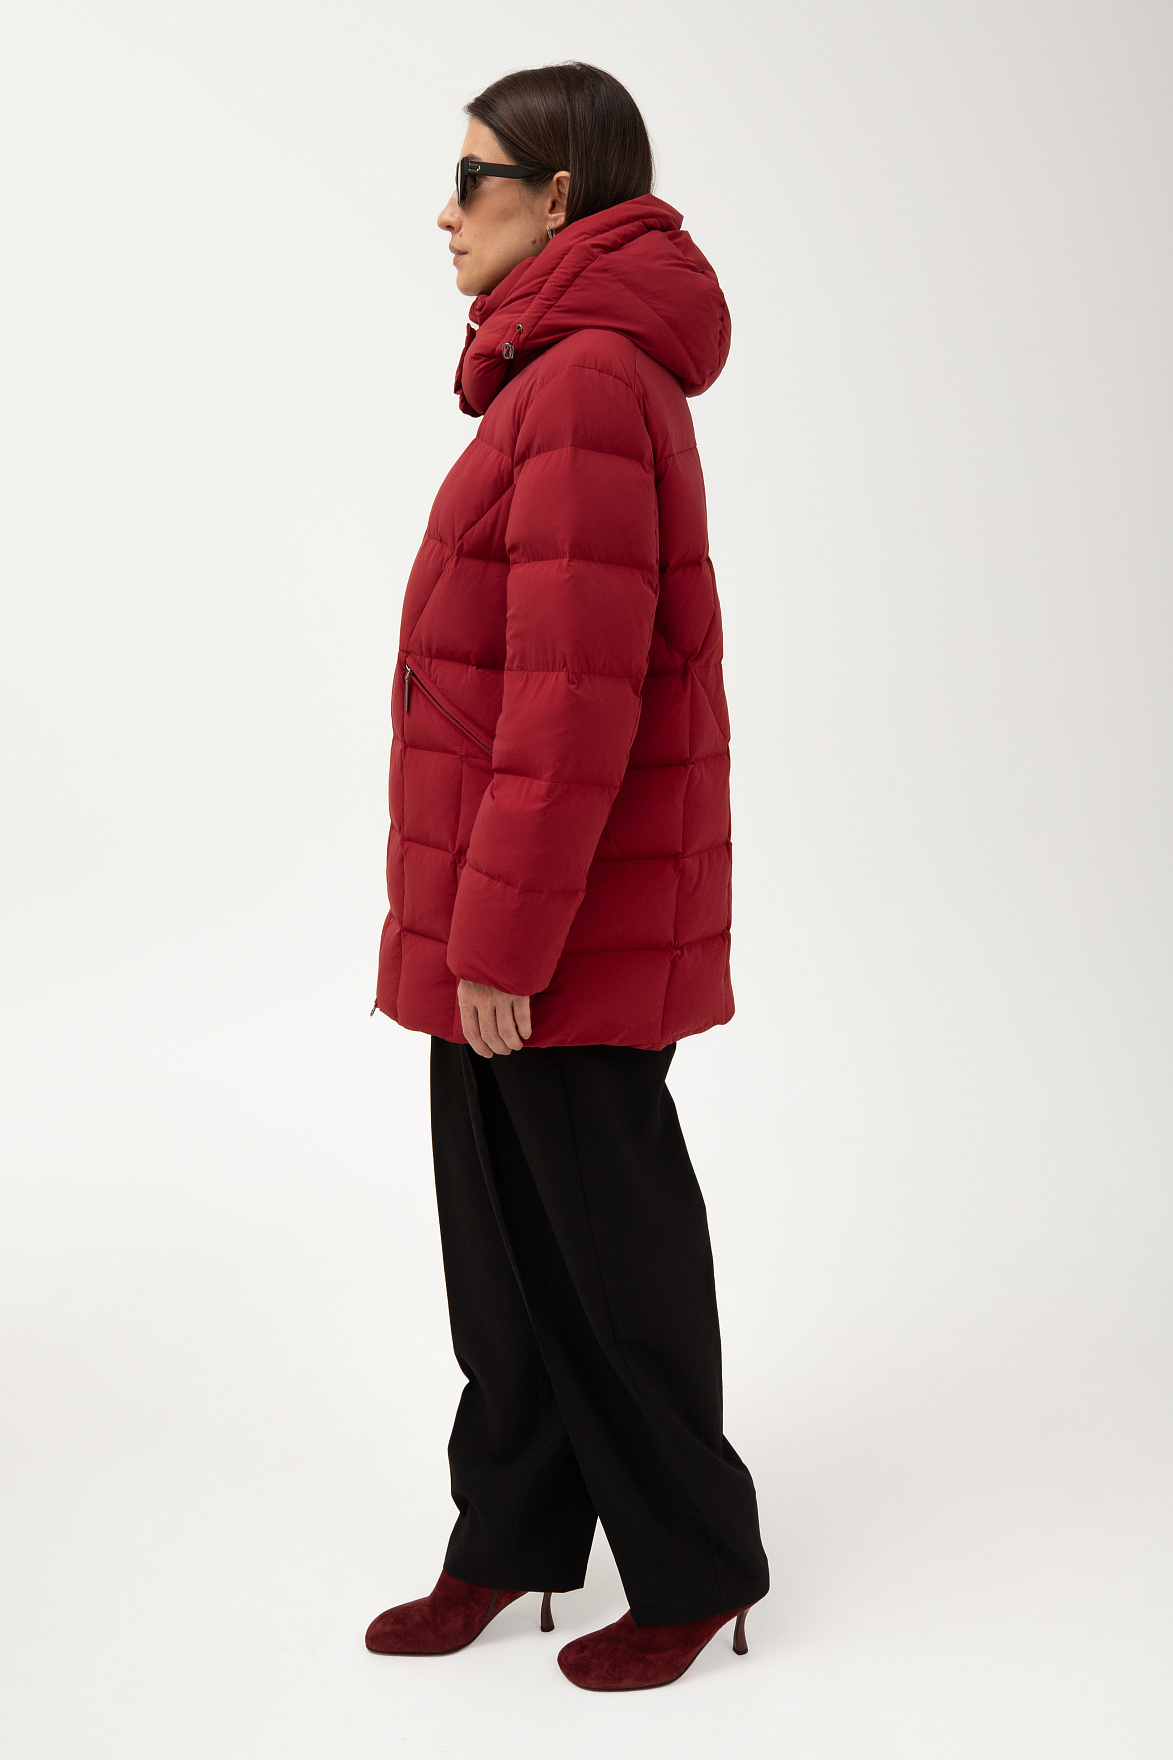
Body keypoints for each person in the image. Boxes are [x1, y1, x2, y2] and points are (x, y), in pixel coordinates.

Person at [366, 61, 769, 1692]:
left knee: (607, 1257)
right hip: (505, 906)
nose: (444, 211)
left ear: (558, 196)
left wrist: (503, 939)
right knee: (506, 1252)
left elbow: (571, 696)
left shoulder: (591, 381)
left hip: (555, 928)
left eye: (474, 179)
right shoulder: (553, 372)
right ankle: (510, 1537)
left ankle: (692, 1568)